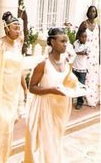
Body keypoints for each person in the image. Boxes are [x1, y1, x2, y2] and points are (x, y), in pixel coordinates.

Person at [0, 11, 27, 163]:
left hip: (13, 94)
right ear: (7, 29)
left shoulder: (18, 44)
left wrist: (25, 89)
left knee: (8, 131)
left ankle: (3, 159)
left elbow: (20, 69)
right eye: (15, 28)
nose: (18, 31)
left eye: (19, 28)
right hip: (0, 94)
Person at [24, 28, 72, 163]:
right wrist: (51, 90)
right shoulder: (43, 64)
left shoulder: (67, 61)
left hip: (61, 108)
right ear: (52, 42)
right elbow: (32, 88)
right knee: (45, 144)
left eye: (66, 41)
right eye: (62, 41)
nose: (65, 44)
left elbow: (69, 82)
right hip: (45, 109)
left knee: (56, 141)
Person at [76, 6, 100, 107]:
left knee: (93, 76)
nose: (92, 13)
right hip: (85, 55)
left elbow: (99, 41)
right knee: (83, 77)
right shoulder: (84, 24)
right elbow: (78, 36)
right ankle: (80, 100)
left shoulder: (98, 26)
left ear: (96, 13)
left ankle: (91, 97)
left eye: (94, 11)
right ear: (88, 12)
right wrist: (81, 49)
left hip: (94, 55)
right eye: (90, 11)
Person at [72, 28, 89, 110]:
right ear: (79, 37)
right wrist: (76, 52)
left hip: (82, 69)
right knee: (72, 84)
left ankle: (80, 102)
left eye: (85, 37)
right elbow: (73, 51)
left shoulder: (87, 45)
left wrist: (76, 52)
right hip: (75, 67)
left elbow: (83, 53)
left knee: (81, 86)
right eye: (82, 37)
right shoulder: (76, 43)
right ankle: (71, 99)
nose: (84, 38)